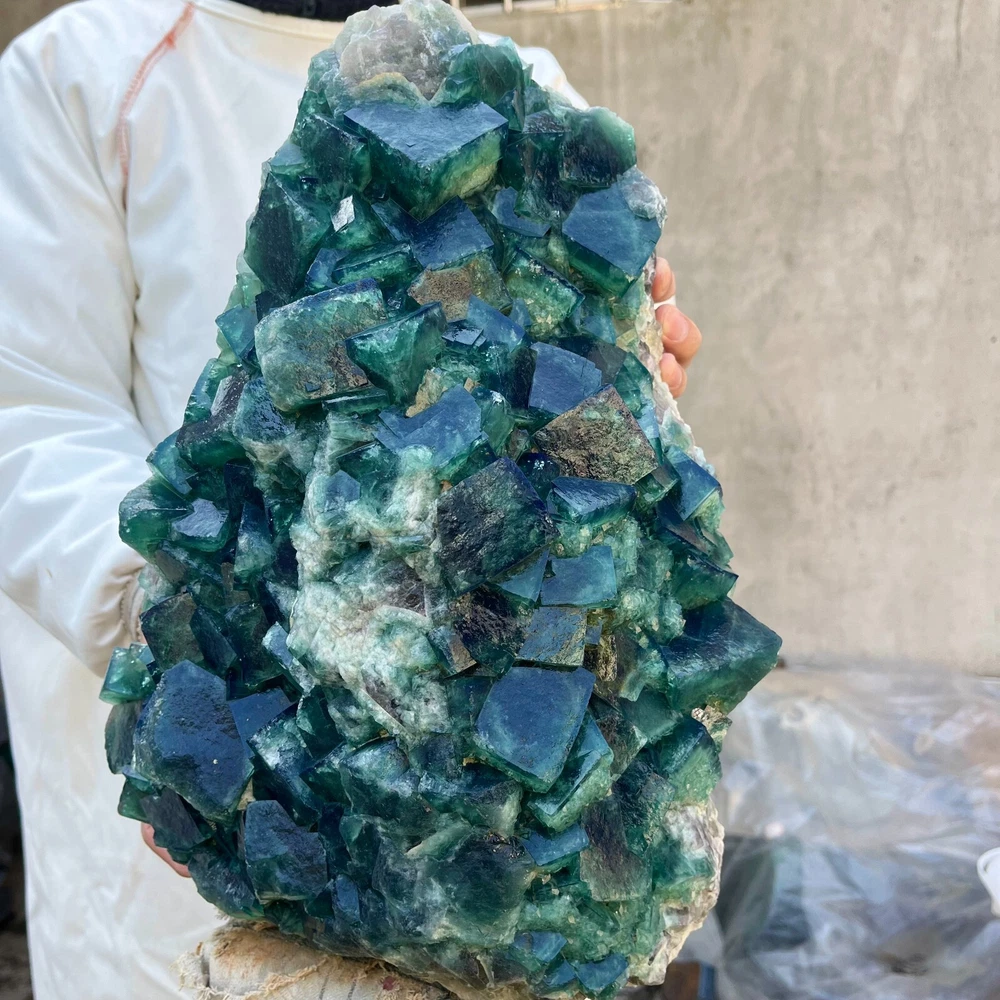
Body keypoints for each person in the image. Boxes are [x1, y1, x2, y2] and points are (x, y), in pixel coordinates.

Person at [0, 0, 703, 996]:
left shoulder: (516, 86)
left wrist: (623, 392)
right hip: (211, 801)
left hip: (488, 822)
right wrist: (192, 658)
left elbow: (576, 431)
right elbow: (26, 409)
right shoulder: (83, 73)